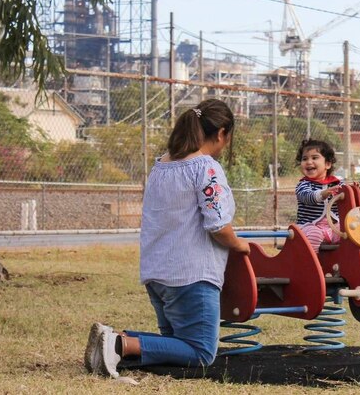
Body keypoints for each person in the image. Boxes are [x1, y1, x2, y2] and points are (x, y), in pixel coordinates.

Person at [84, 99, 250, 378]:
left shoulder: (161, 165)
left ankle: (111, 339)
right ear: (221, 133)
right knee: (200, 352)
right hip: (191, 276)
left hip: (157, 274)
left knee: (174, 347)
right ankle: (121, 344)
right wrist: (240, 245)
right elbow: (218, 225)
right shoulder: (205, 168)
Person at [295, 139, 344, 253]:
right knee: (314, 234)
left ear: (327, 164)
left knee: (349, 229)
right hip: (308, 226)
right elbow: (307, 197)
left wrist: (356, 191)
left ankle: (348, 264)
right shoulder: (303, 185)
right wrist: (322, 194)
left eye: (314, 157)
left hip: (332, 228)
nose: (308, 162)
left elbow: (348, 194)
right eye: (305, 159)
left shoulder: (337, 184)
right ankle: (310, 265)